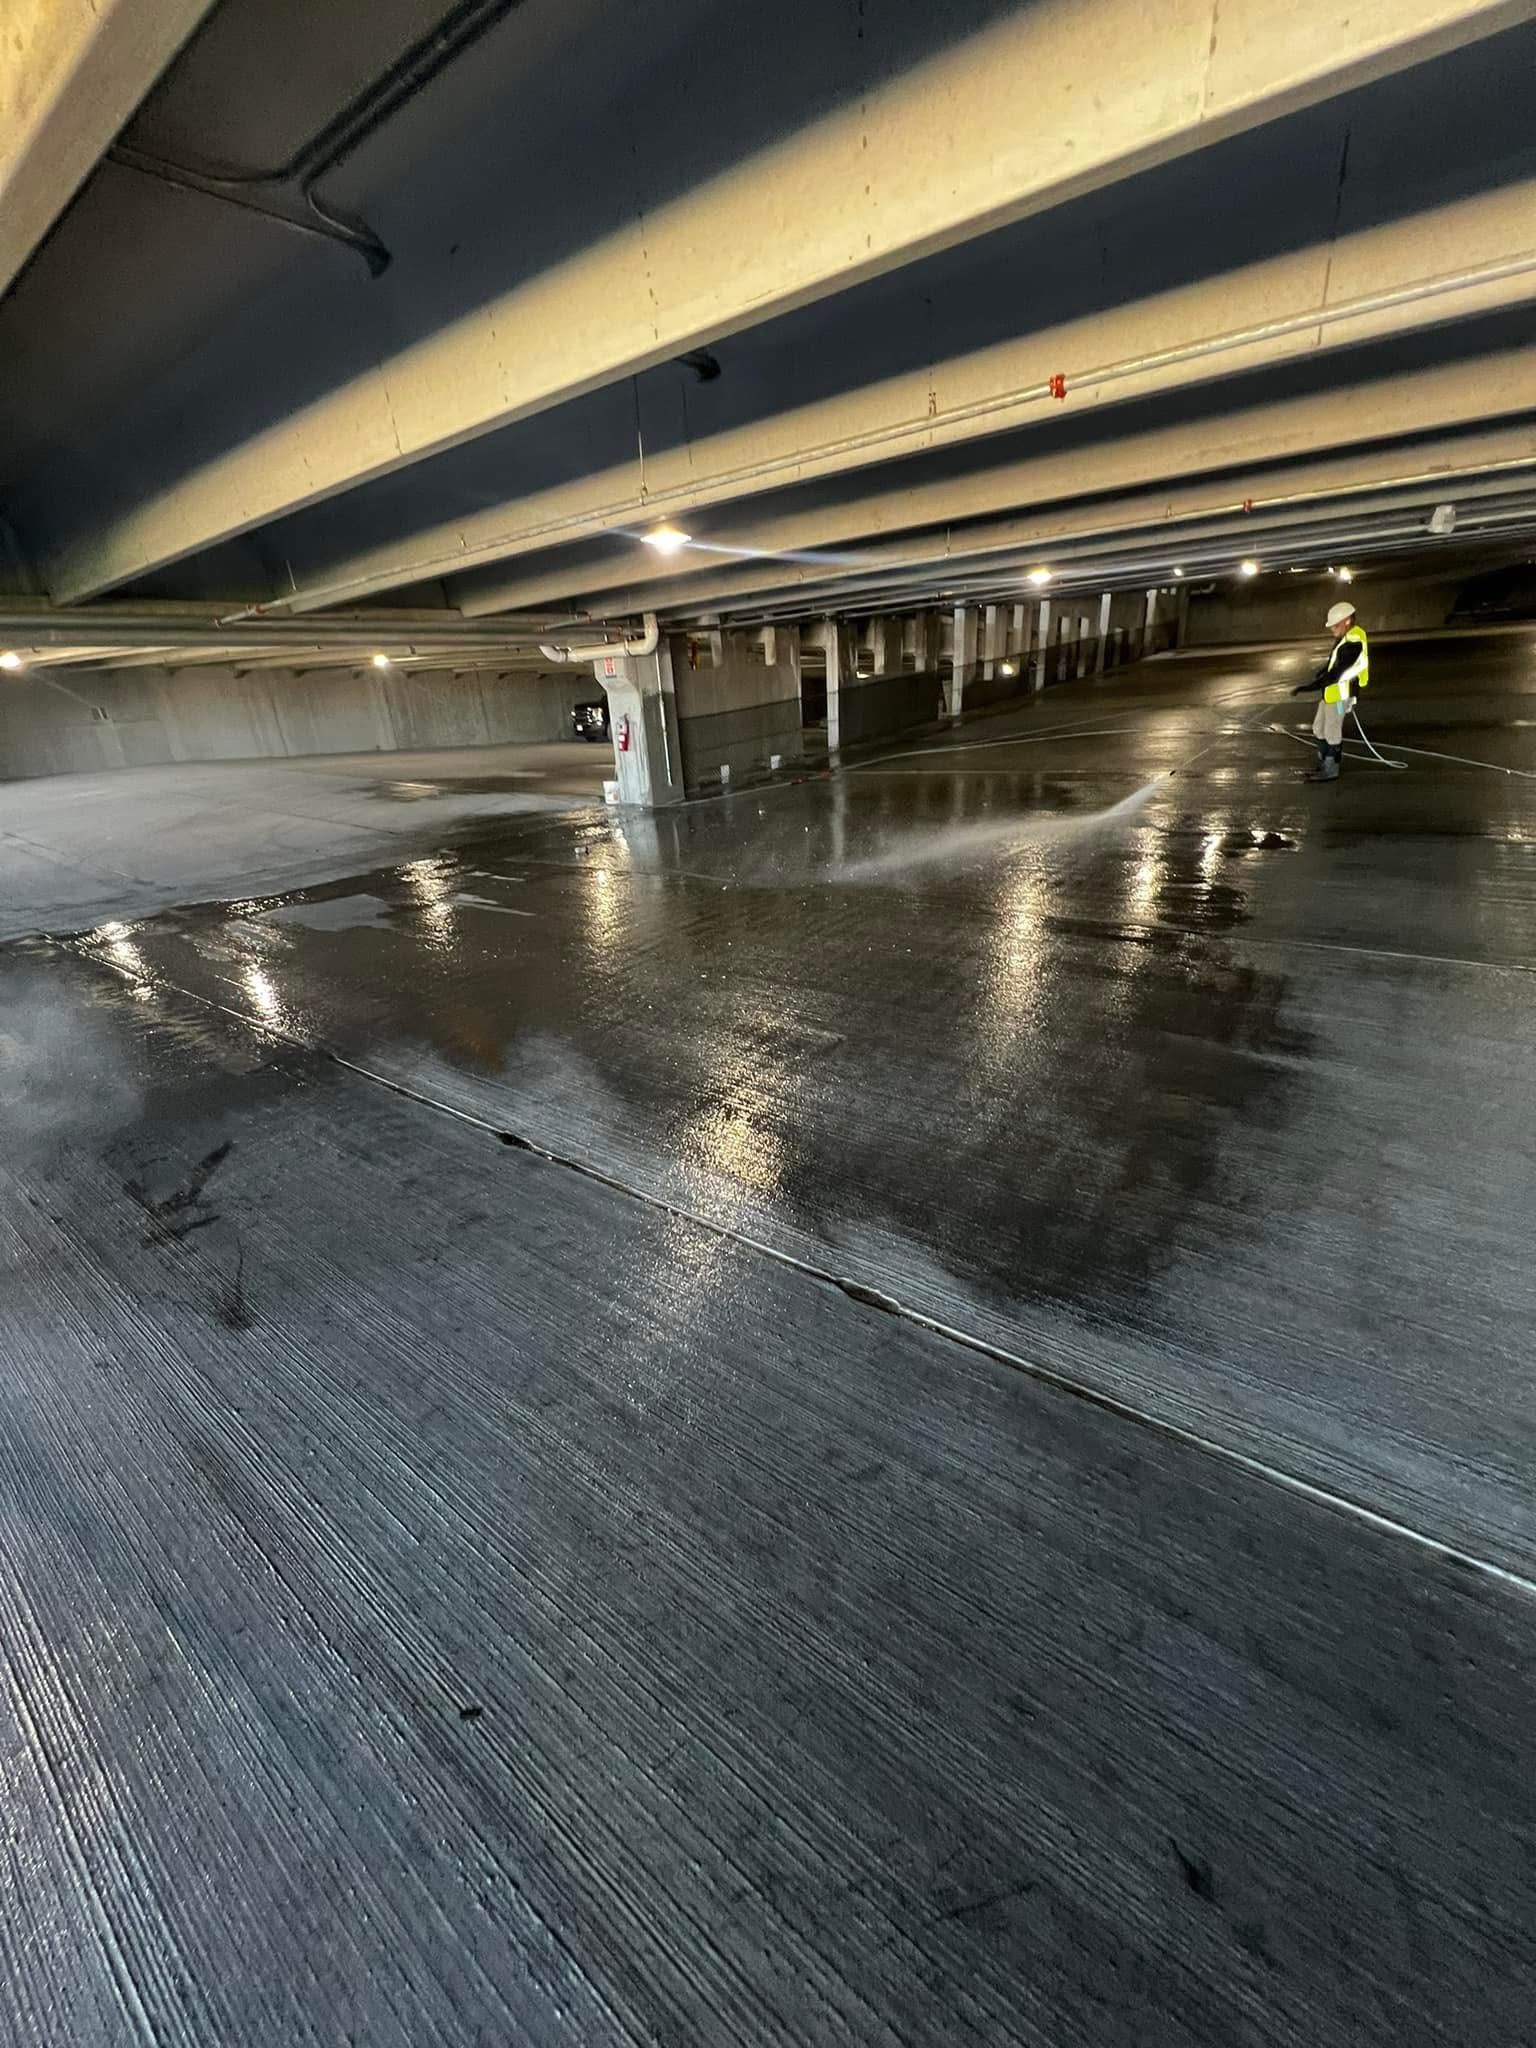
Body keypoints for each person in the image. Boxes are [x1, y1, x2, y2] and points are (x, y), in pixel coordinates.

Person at [1291, 600, 1369, 782]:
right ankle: (1323, 762)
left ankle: (1331, 768)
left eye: (1335, 626)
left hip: (1342, 694)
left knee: (1332, 730)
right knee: (1319, 728)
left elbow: (1337, 672)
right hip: (1331, 692)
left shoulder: (1354, 640)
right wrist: (1321, 672)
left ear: (1347, 621)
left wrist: (1309, 687)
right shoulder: (1344, 637)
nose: (1332, 630)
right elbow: (1333, 664)